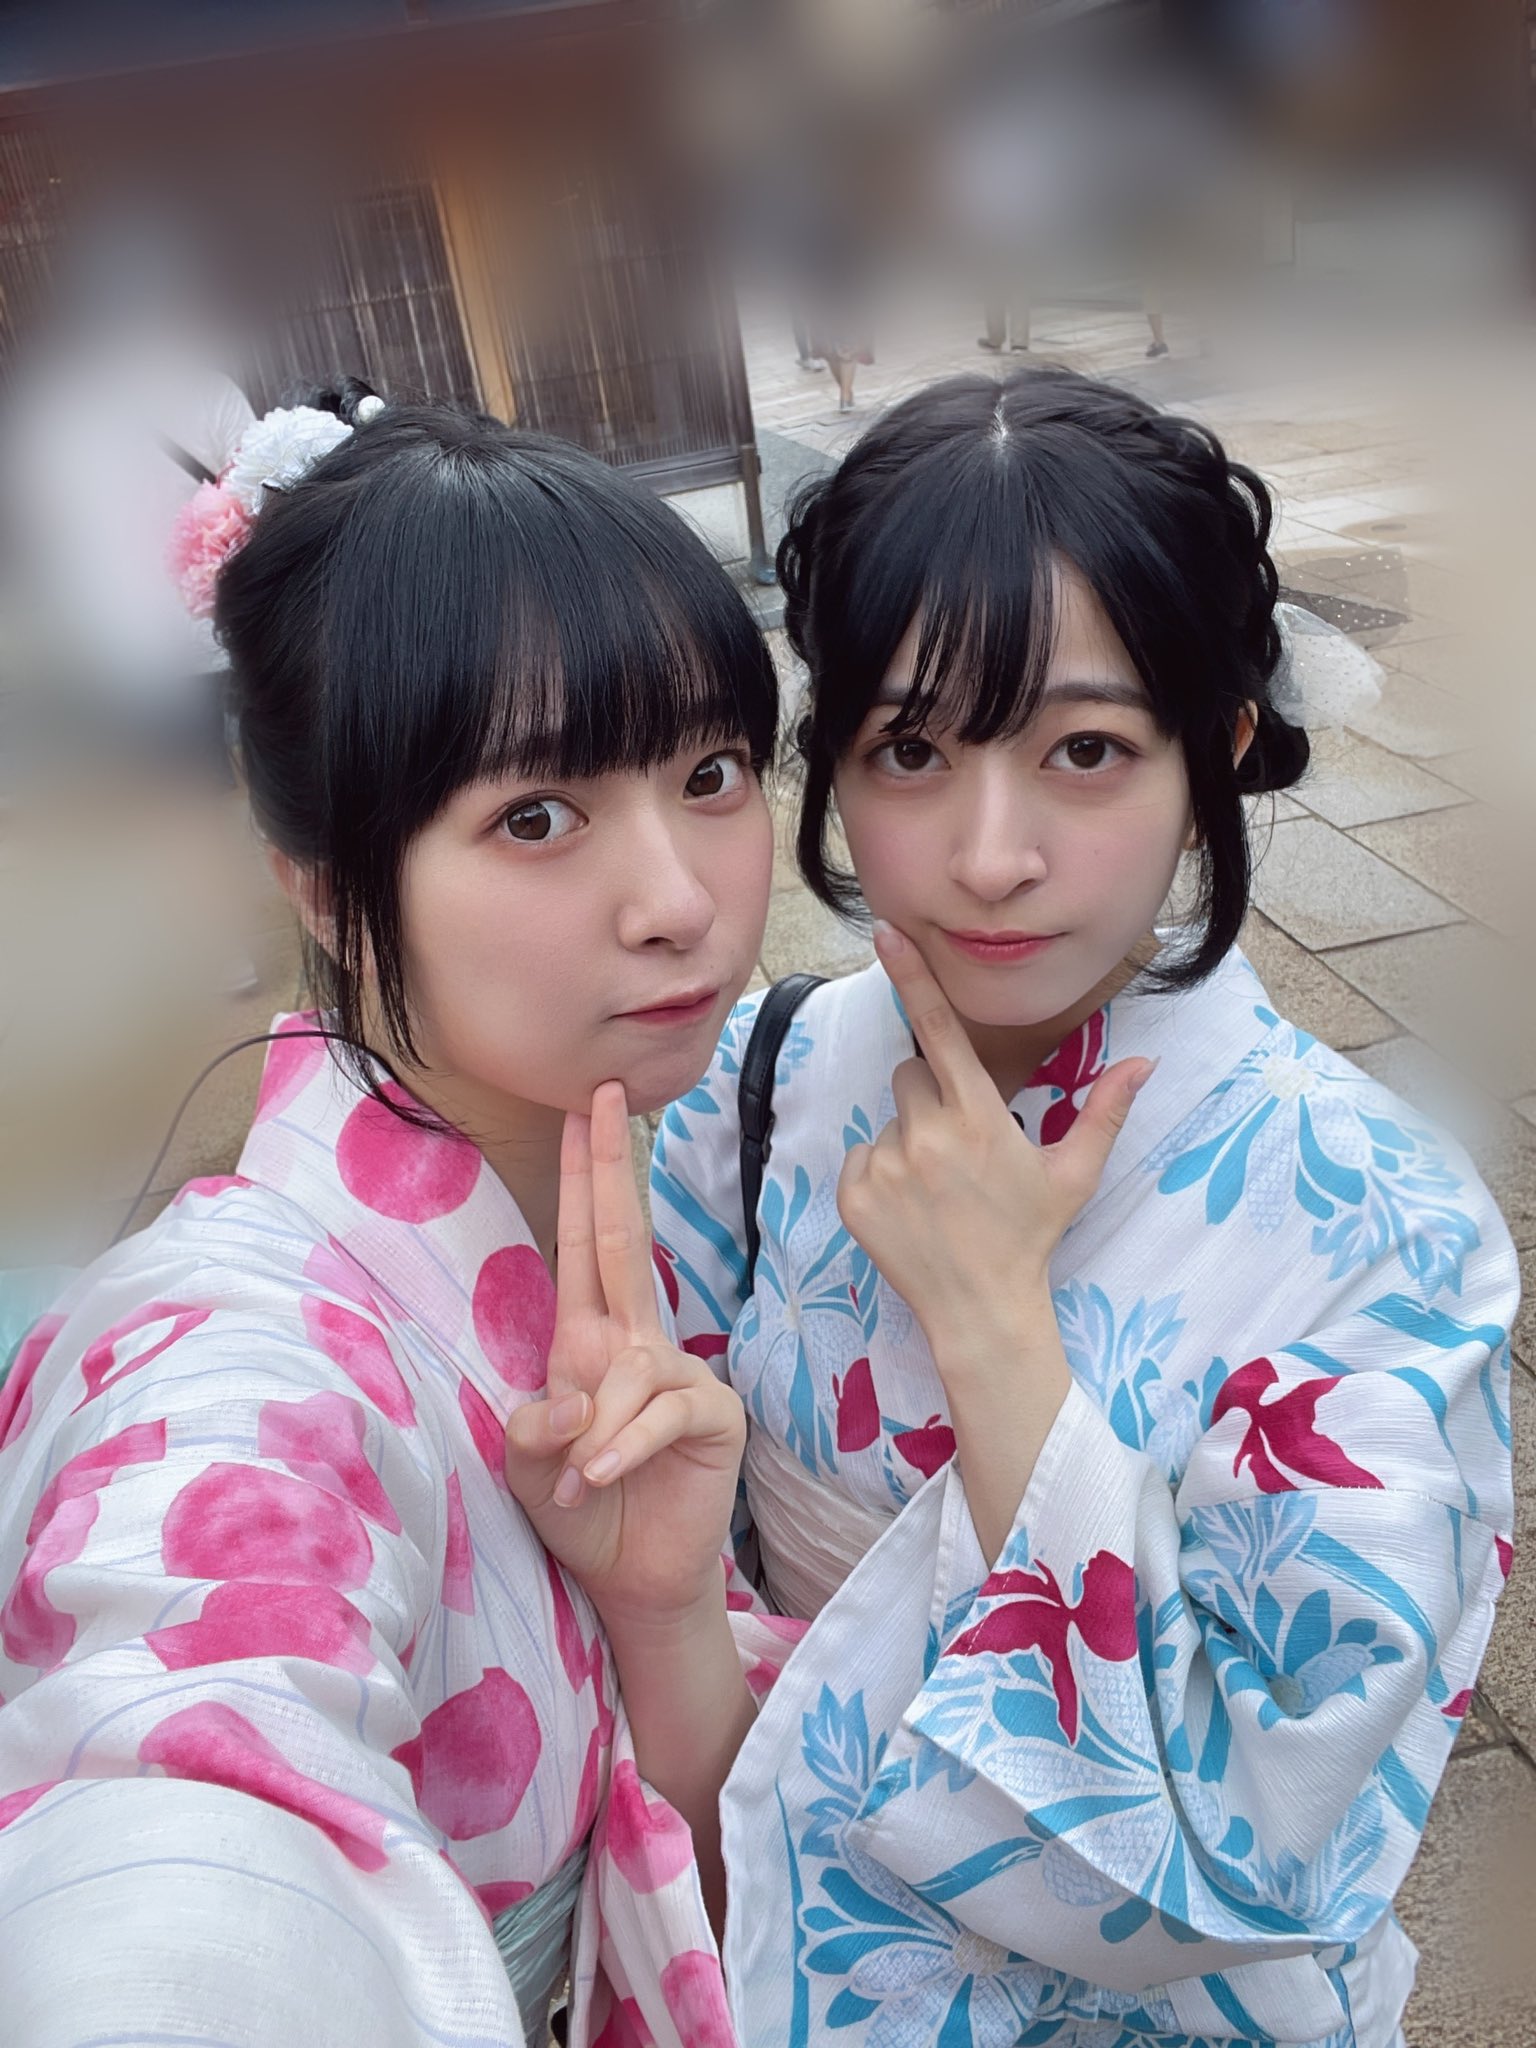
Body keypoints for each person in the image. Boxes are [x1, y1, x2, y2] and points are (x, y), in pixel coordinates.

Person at [650, 366, 1517, 2046]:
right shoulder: (752, 1086)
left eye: (1089, 750)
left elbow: (1268, 1825)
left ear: (1221, 749)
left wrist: (992, 1328)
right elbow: (686, 1565)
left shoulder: (1386, 1221)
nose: (992, 854)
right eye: (911, 749)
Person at [0, 387, 795, 2046]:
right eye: (535, 816)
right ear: (315, 877)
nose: (680, 900)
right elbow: (184, 1757)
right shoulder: (242, 1363)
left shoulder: (606, 1181)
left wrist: (661, 1613)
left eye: (713, 771)